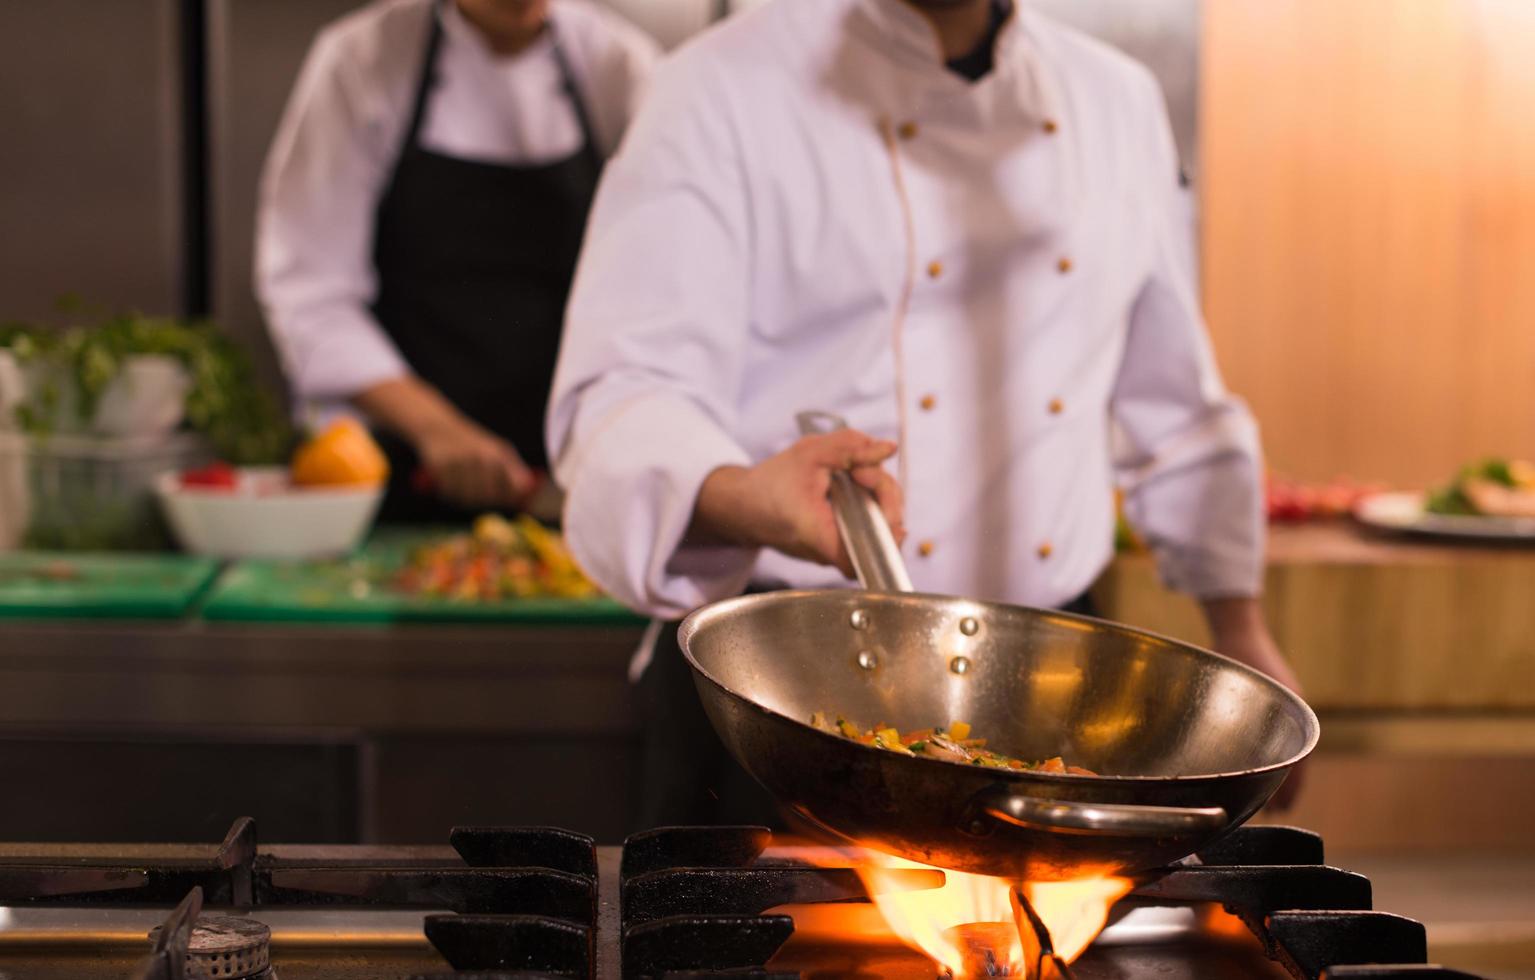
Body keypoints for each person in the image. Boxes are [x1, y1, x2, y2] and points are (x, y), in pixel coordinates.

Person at [547, 0, 1304, 828]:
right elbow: (623, 389)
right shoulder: (716, 87)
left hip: (1052, 696)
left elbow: (1174, 403)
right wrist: (742, 495)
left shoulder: (1114, 97)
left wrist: (1239, 625)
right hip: (781, 695)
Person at [257, 0, 657, 519]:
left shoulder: (622, 68)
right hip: (401, 474)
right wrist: (436, 429)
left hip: (578, 483)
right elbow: (311, 293)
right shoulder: (362, 60)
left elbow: (658, 292)